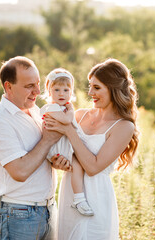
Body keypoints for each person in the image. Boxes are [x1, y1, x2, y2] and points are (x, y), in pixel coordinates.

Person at [44, 58, 139, 239]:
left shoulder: (123, 126)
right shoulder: (79, 115)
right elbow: (64, 150)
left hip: (95, 197)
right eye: (90, 86)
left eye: (97, 88)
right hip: (70, 193)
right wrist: (59, 161)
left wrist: (69, 130)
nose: (90, 92)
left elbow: (94, 167)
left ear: (113, 89)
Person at [0, 56, 71, 240]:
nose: (37, 91)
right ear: (8, 87)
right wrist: (47, 140)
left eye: (38, 84)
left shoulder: (34, 111)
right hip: (19, 214)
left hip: (47, 209)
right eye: (29, 86)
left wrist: (55, 161)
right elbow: (20, 171)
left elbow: (38, 155)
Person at [40, 68, 94, 216]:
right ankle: (79, 199)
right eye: (56, 90)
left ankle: (79, 197)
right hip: (57, 147)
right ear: (49, 91)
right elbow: (67, 120)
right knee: (77, 163)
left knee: (78, 164)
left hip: (64, 143)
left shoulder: (62, 108)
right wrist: (70, 109)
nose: (61, 94)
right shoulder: (50, 108)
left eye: (66, 90)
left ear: (71, 92)